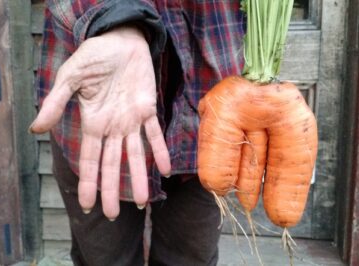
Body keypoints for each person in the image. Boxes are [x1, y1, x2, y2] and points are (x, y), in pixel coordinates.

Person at [30, 1, 245, 265]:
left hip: (210, 112)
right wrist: (115, 18)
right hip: (97, 110)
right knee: (106, 259)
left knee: (192, 259)